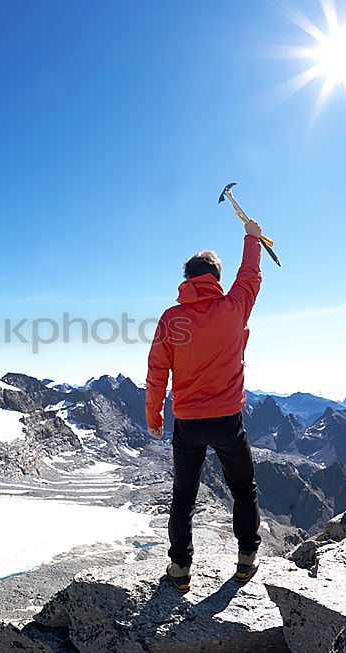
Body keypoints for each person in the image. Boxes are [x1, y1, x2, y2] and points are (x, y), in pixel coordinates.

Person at [145, 219, 264, 593]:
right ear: (215, 277)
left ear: (187, 278)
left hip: (189, 423)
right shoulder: (234, 307)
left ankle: (180, 569)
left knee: (183, 497)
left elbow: (156, 372)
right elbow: (250, 275)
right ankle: (246, 559)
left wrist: (154, 416)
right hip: (228, 420)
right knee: (243, 489)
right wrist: (252, 237)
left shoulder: (171, 318)